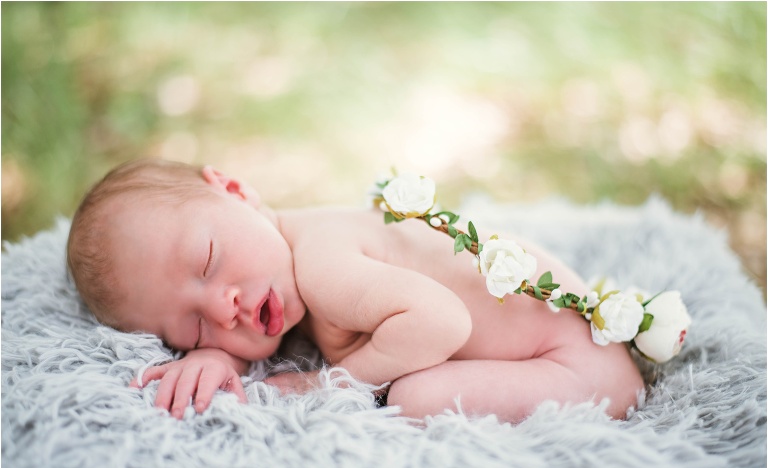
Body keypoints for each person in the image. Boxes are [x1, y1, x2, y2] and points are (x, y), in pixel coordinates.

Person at [67, 158, 644, 423]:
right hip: (571, 349)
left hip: (581, 371)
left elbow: (441, 323)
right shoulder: (282, 264)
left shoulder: (321, 263)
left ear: (237, 189)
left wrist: (327, 384)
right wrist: (220, 356)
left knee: (412, 400)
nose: (224, 307)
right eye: (191, 328)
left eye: (208, 260)